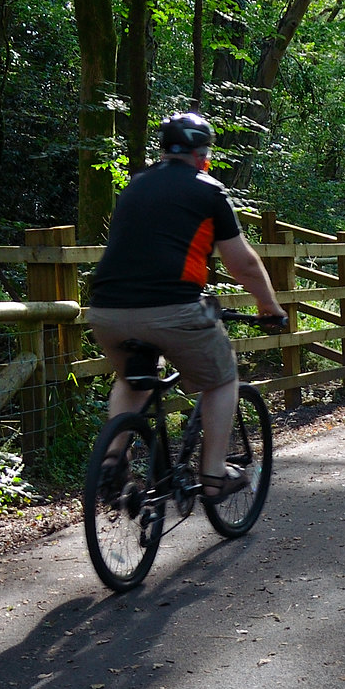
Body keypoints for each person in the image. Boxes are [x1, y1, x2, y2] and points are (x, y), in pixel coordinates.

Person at [86, 112, 286, 501]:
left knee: (133, 377)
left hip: (107, 310)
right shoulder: (208, 190)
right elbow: (241, 262)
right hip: (173, 307)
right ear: (203, 154)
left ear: (164, 150)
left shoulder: (134, 187)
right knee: (222, 378)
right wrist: (268, 305)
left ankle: (112, 460)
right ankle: (213, 476)